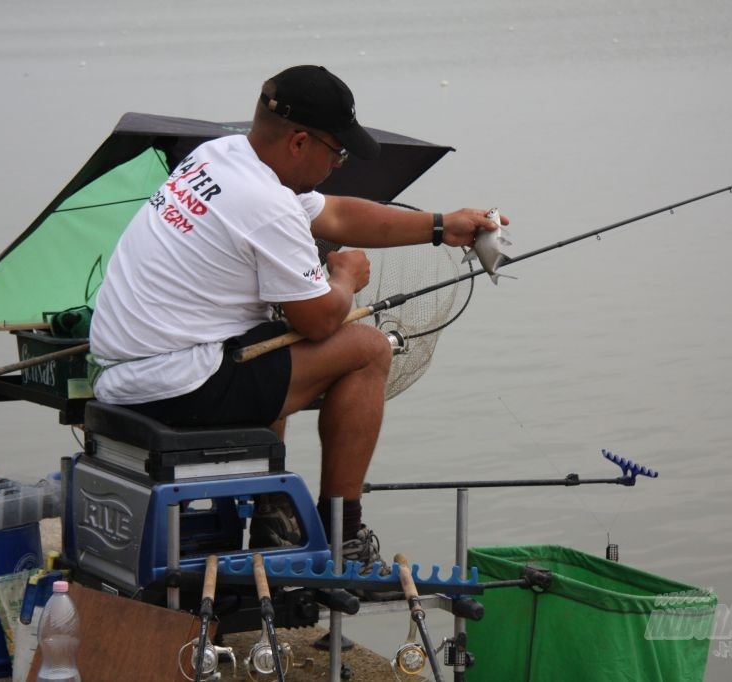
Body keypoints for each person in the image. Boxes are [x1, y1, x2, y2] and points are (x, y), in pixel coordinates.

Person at [89, 65, 508, 592]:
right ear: (300, 141)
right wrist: (345, 278)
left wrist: (441, 226)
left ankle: (272, 515)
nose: (338, 165)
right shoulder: (265, 205)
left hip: (127, 372)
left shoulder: (217, 155)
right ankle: (343, 538)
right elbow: (319, 320)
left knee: (265, 343)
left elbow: (334, 215)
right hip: (176, 386)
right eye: (337, 153)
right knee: (368, 347)